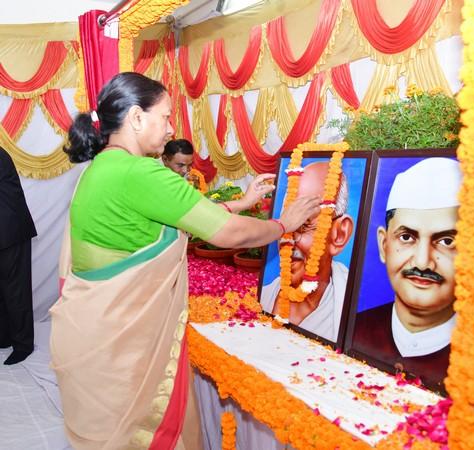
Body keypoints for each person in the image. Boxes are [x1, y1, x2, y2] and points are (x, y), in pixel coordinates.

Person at [50, 72, 320, 450]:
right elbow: (228, 235)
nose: (171, 127)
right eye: (166, 116)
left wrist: (238, 204)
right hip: (129, 348)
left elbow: (171, 215)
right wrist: (282, 224)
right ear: (136, 118)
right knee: (149, 435)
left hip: (95, 335)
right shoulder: (140, 171)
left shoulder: (101, 167)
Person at [352, 157, 461, 391]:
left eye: (446, 241)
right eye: (406, 237)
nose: (422, 262)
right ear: (383, 245)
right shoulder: (354, 329)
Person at [261, 162, 354, 342]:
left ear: (340, 234)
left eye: (303, 226)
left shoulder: (354, 311)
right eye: (285, 224)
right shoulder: (265, 297)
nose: (289, 239)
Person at [0, 147, 37, 365]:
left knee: (16, 290)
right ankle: (4, 336)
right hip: (4, 231)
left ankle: (23, 345)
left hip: (11, 231)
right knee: (3, 289)